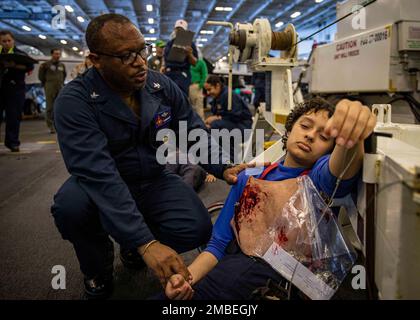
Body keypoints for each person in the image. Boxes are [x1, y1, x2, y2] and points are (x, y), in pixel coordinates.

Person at [51, 13, 255, 300]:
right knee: (70, 208)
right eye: (126, 56)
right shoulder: (75, 102)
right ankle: (97, 267)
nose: (139, 61)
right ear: (96, 60)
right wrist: (147, 242)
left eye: (142, 50)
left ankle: (130, 245)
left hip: (151, 176)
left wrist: (223, 167)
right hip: (99, 182)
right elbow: (100, 174)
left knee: (195, 228)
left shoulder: (159, 86)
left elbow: (192, 130)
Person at [162, 98, 377, 300]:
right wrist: (187, 279)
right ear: (289, 129)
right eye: (305, 126)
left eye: (324, 137)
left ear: (330, 150)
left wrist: (350, 135)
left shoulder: (316, 180)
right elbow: (218, 244)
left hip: (278, 285)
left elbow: (340, 171)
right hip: (232, 271)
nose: (311, 135)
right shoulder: (249, 176)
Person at [204, 75, 253, 162]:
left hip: (242, 127)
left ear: (217, 85)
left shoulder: (229, 95)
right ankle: (224, 159)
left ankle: (230, 160)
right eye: (207, 90)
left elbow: (236, 115)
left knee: (215, 126)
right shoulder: (217, 97)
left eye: (209, 89)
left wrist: (217, 118)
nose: (208, 93)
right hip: (231, 125)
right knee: (211, 129)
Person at [0, 30, 34, 152]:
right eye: (4, 41)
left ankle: (12, 142)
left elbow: (30, 66)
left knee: (13, 117)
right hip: (1, 89)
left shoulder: (20, 55)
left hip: (15, 91)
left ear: (13, 41)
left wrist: (13, 65)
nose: (7, 43)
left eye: (9, 40)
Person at [162, 19, 198, 95]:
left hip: (183, 73)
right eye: (177, 29)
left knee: (182, 97)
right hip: (170, 73)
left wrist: (189, 54)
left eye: (181, 29)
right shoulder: (169, 44)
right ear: (174, 30)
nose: (179, 31)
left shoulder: (190, 44)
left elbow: (195, 63)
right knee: (168, 96)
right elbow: (165, 59)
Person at [38, 48, 66, 133]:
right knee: (50, 107)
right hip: (50, 87)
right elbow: (41, 76)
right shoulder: (45, 65)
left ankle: (59, 124)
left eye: (59, 54)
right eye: (56, 54)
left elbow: (64, 75)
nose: (57, 55)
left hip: (60, 87)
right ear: (52, 54)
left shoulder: (62, 65)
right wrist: (47, 84)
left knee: (60, 106)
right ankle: (51, 126)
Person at [189, 52, 208, 120]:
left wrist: (200, 86)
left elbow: (205, 74)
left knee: (198, 107)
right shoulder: (186, 62)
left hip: (196, 86)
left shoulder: (201, 62)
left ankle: (201, 126)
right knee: (188, 107)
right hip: (186, 86)